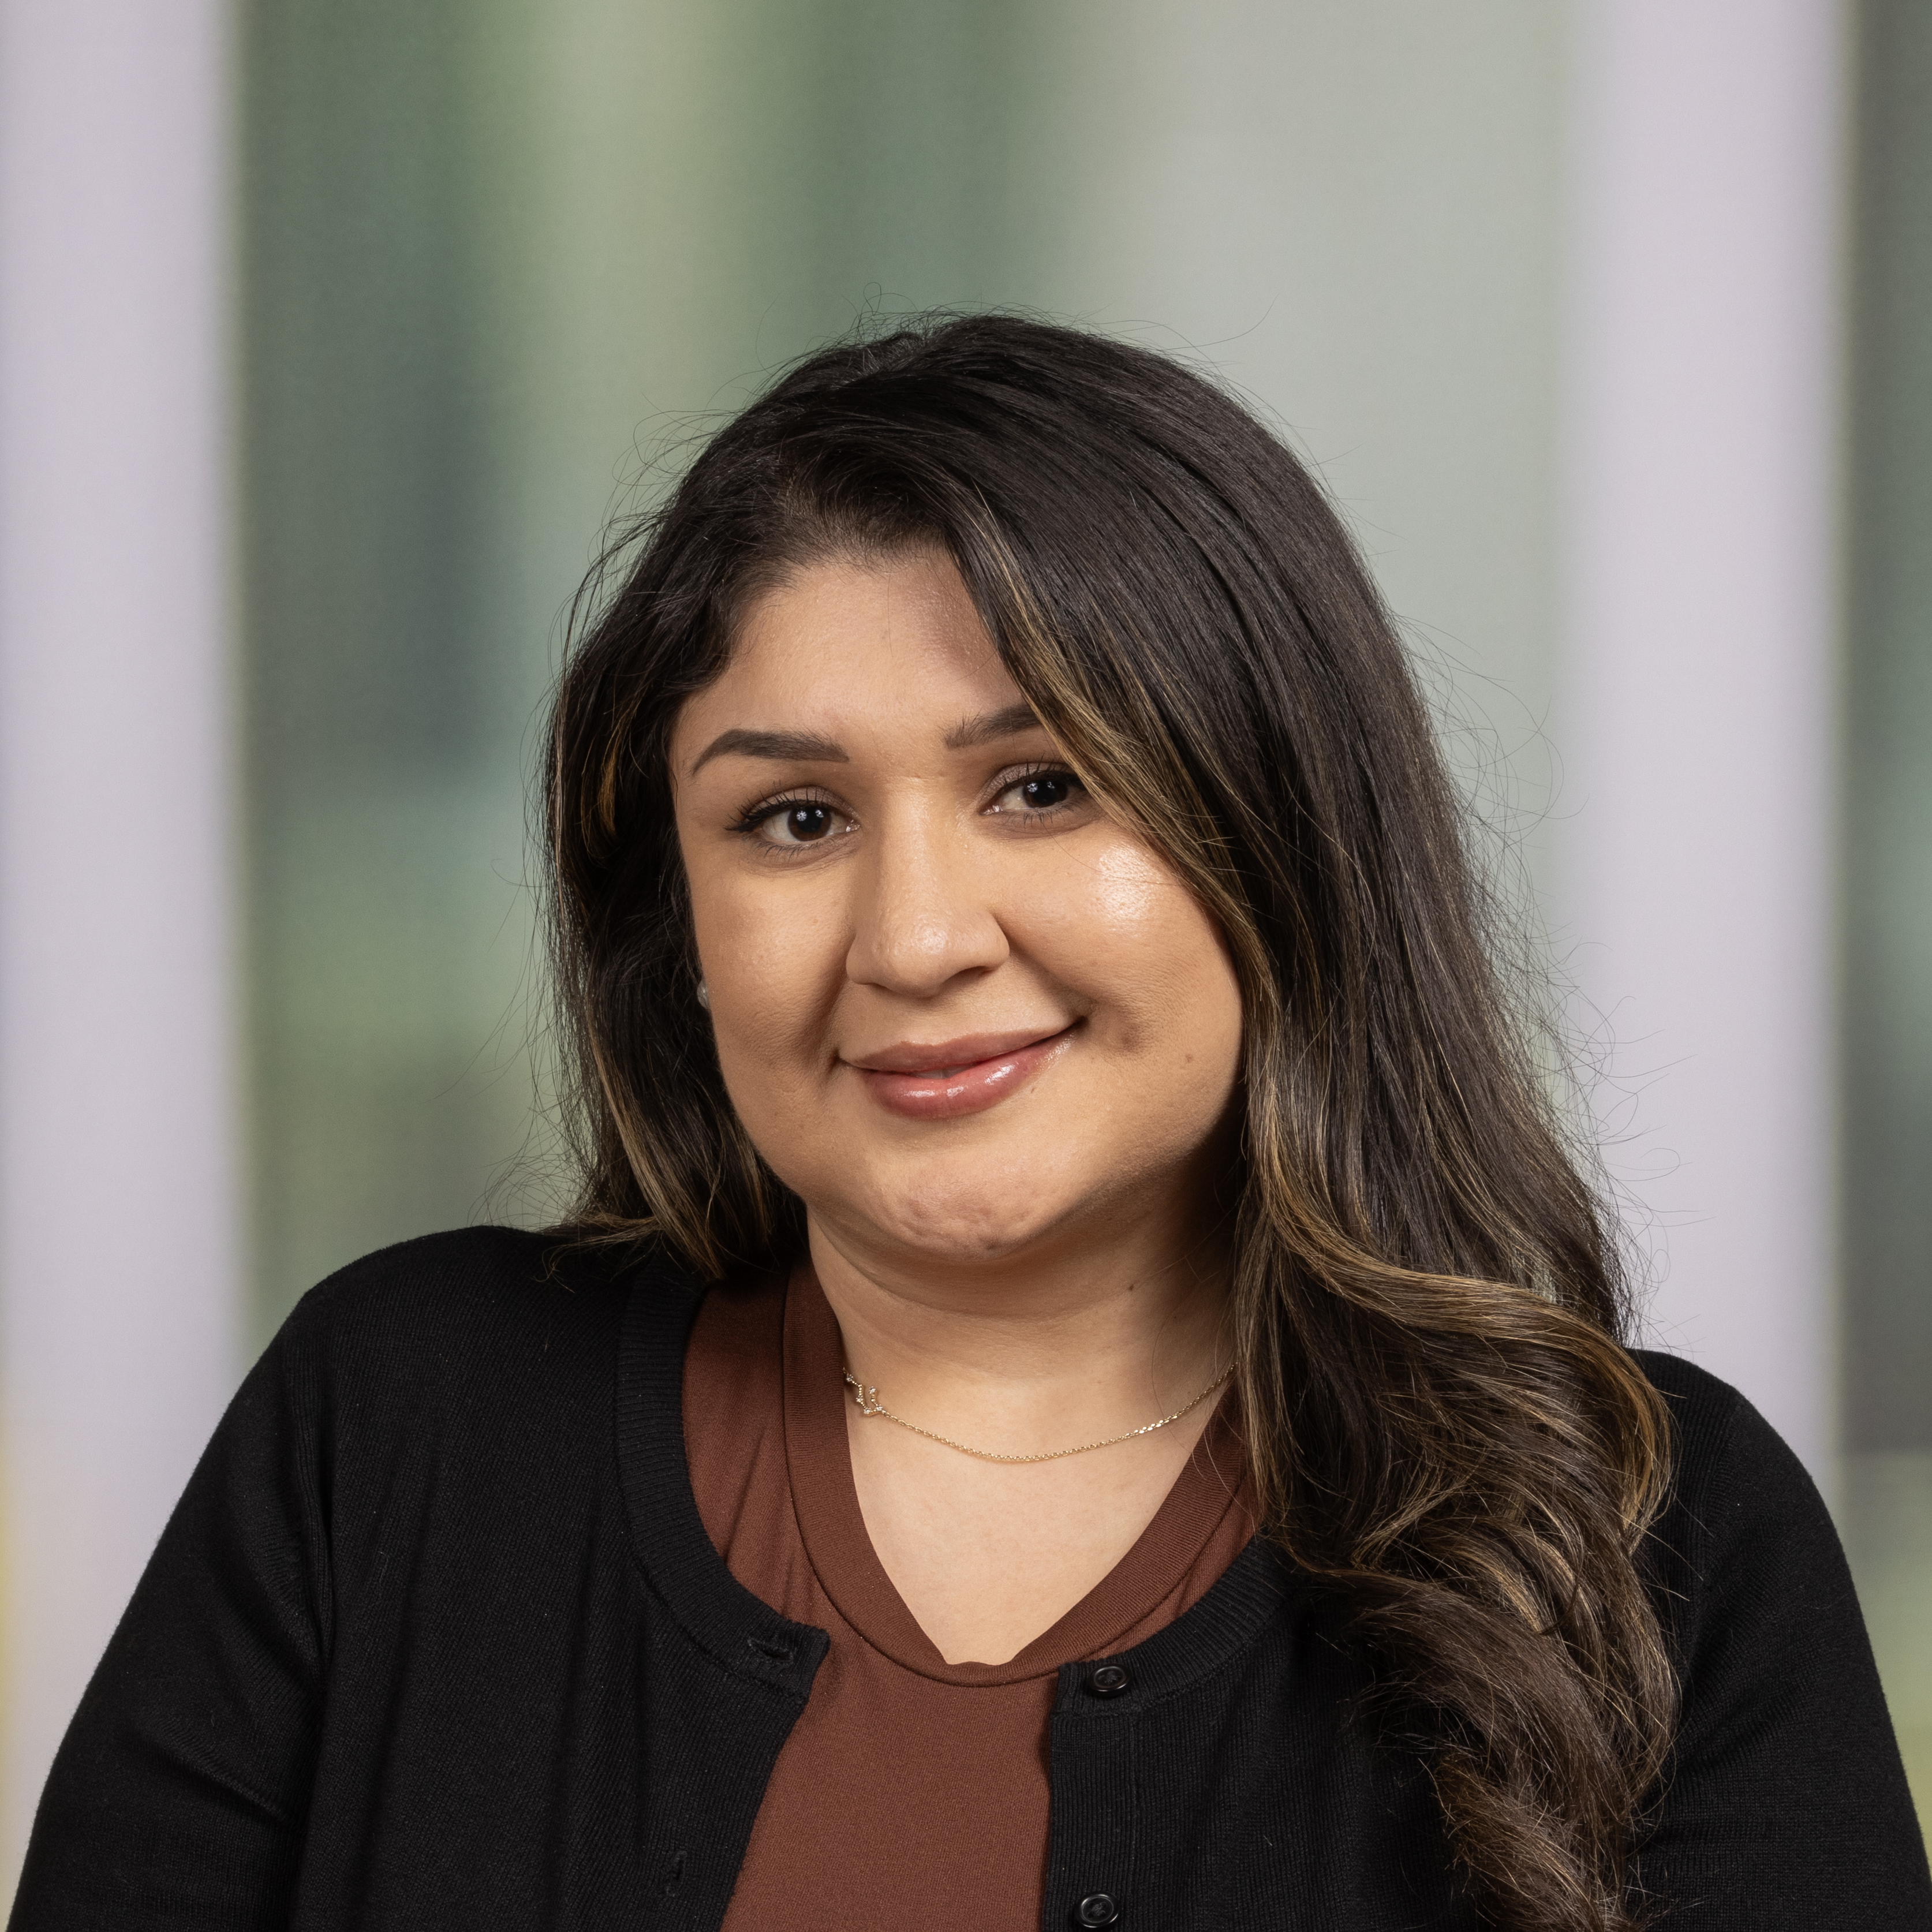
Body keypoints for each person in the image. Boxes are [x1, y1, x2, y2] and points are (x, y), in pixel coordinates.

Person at [11, 316, 1929, 1932]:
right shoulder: (399, 1418)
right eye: (792, 819)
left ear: (1279, 837)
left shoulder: (1654, 1549)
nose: (917, 939)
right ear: (670, 922)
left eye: (1039, 784)